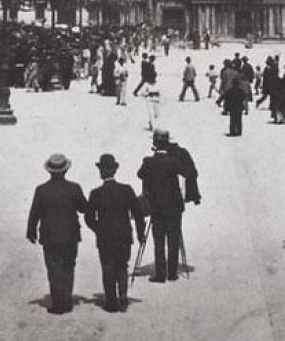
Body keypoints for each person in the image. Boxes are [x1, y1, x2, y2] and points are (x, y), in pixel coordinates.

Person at [26, 153, 88, 314]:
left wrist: (31, 230)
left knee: (54, 270)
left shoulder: (41, 190)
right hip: (70, 235)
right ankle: (66, 300)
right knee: (68, 267)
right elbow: (84, 208)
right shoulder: (74, 188)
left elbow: (35, 213)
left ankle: (58, 302)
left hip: (50, 236)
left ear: (50, 171)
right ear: (65, 170)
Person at [84, 153, 146, 312]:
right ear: (115, 170)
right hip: (124, 236)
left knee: (107, 267)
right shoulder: (126, 190)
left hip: (105, 238)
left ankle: (111, 301)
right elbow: (138, 213)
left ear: (101, 172)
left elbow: (89, 218)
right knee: (122, 266)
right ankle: (123, 295)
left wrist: (98, 229)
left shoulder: (95, 193)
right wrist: (140, 234)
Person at [137, 132, 189, 283]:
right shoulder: (173, 161)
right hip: (174, 207)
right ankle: (172, 273)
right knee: (174, 239)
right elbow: (187, 171)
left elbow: (140, 174)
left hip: (157, 207)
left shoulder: (148, 162)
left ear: (154, 143)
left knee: (158, 241)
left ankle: (160, 274)